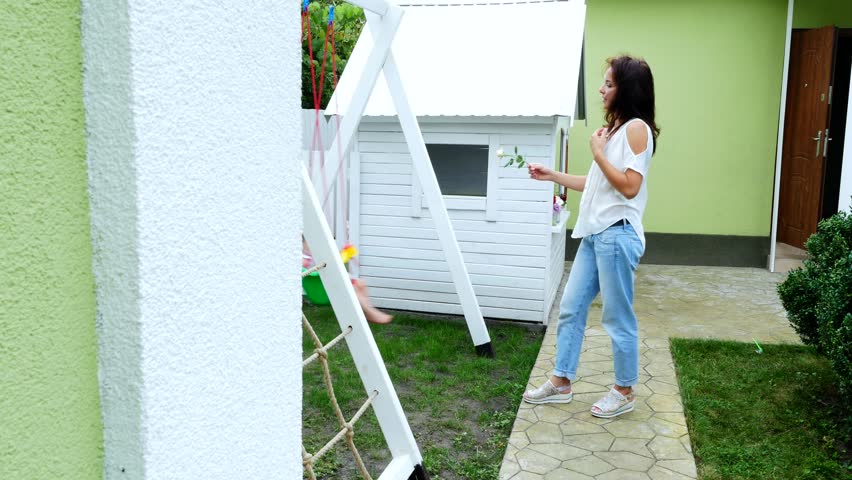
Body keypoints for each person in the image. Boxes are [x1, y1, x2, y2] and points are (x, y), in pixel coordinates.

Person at [522, 55, 660, 418]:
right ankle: (561, 382)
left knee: (616, 317)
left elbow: (629, 187)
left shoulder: (636, 130)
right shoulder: (614, 129)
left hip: (617, 236)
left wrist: (598, 153)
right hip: (594, 236)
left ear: (626, 90)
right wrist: (553, 175)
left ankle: (624, 390)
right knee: (570, 308)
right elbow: (598, 182)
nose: (601, 89)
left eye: (609, 84)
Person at [302, 241, 393, 325]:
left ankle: (365, 311)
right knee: (353, 289)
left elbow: (330, 262)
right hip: (319, 287)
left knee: (361, 284)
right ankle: (370, 312)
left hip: (329, 279)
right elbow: (307, 267)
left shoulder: (316, 252)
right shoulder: (303, 256)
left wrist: (344, 254)